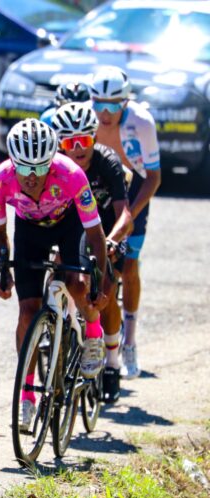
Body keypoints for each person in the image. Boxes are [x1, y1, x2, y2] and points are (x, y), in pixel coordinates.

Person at [0, 118, 108, 431]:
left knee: (77, 284)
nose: (31, 176)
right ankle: (26, 395)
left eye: (40, 168)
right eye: (24, 168)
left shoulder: (71, 174)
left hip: (69, 226)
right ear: (12, 162)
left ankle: (93, 332)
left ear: (52, 162)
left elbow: (95, 234)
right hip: (29, 231)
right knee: (27, 312)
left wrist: (100, 281)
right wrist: (3, 269)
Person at [52, 102, 132, 403]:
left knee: (106, 291)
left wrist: (112, 240)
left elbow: (125, 215)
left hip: (106, 230)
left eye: (84, 140)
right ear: (60, 144)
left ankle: (111, 362)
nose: (77, 149)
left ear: (94, 138)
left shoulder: (107, 162)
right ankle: (62, 331)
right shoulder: (55, 166)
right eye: (70, 142)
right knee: (62, 270)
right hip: (73, 229)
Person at [90, 65, 161, 380]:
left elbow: (154, 177)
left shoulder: (141, 122)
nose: (105, 113)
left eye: (114, 105)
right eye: (99, 104)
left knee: (128, 267)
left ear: (126, 101)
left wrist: (130, 212)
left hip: (135, 190)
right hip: (103, 184)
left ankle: (129, 342)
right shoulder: (87, 118)